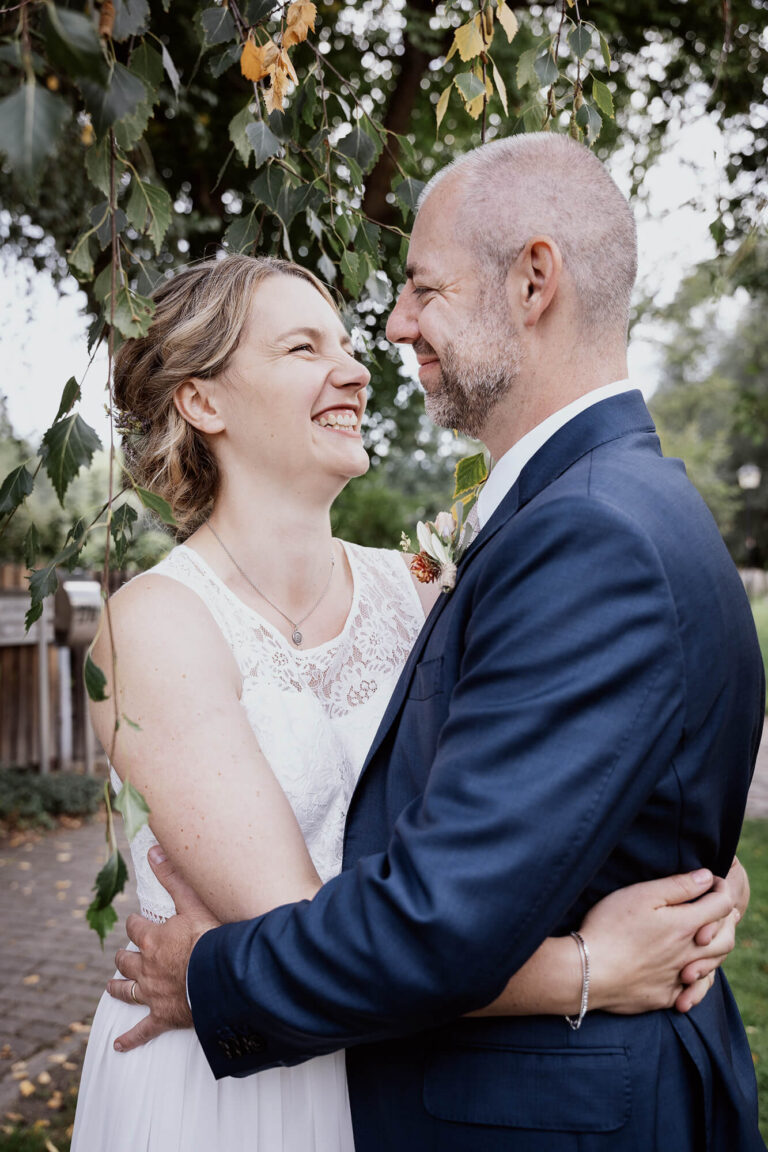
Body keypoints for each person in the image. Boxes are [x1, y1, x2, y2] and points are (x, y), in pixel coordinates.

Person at [91, 191, 756, 1151]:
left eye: (346, 343)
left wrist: (687, 867)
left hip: (381, 1061)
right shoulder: (156, 622)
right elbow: (299, 921)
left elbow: (531, 787)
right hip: (240, 1091)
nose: (358, 367)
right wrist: (591, 967)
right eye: (302, 350)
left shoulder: (412, 587)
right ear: (201, 401)